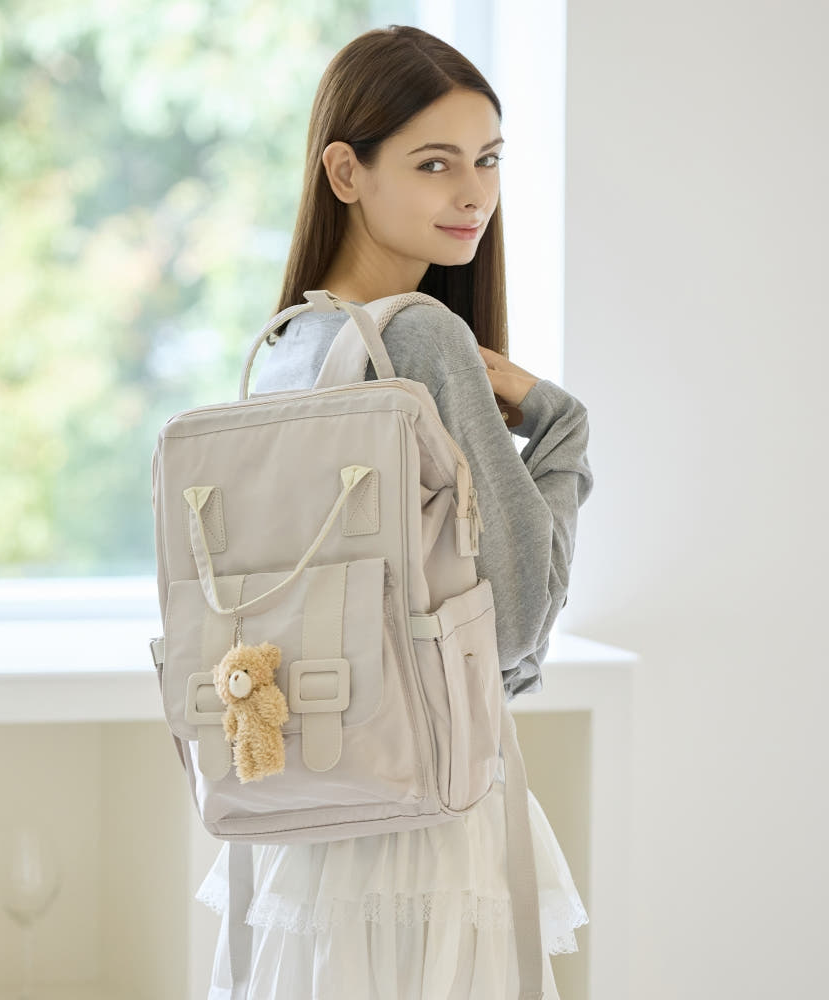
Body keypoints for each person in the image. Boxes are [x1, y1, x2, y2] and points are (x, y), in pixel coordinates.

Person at [196, 24, 594, 1000]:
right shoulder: (423, 339)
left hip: (311, 816)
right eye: (434, 163)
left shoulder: (286, 347)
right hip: (424, 823)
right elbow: (514, 623)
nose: (473, 193)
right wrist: (560, 425)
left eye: (488, 160)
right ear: (346, 171)